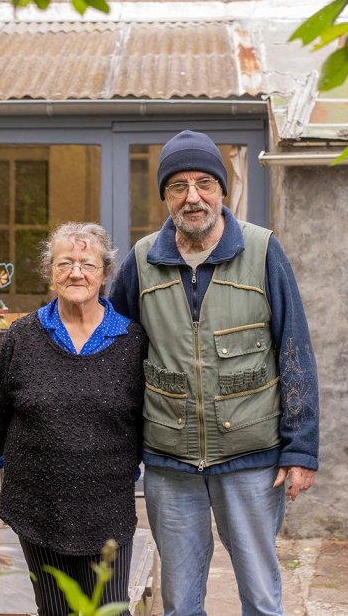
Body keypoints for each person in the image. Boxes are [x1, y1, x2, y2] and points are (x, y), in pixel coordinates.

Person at [107, 129, 319, 616]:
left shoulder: (263, 250)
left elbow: (295, 351)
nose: (193, 196)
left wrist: (301, 448)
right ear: (165, 196)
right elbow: (110, 349)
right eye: (178, 186)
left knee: (262, 598)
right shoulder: (142, 260)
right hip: (169, 461)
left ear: (223, 191)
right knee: (180, 603)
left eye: (205, 182)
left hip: (251, 457)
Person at [0, 222, 146, 616]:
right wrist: (35, 461)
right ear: (51, 273)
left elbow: (146, 421)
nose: (76, 273)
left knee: (110, 611)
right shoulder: (22, 336)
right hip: (39, 506)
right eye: (64, 263)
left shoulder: (132, 341)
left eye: (87, 264)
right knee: (54, 610)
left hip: (108, 509)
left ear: (104, 274)